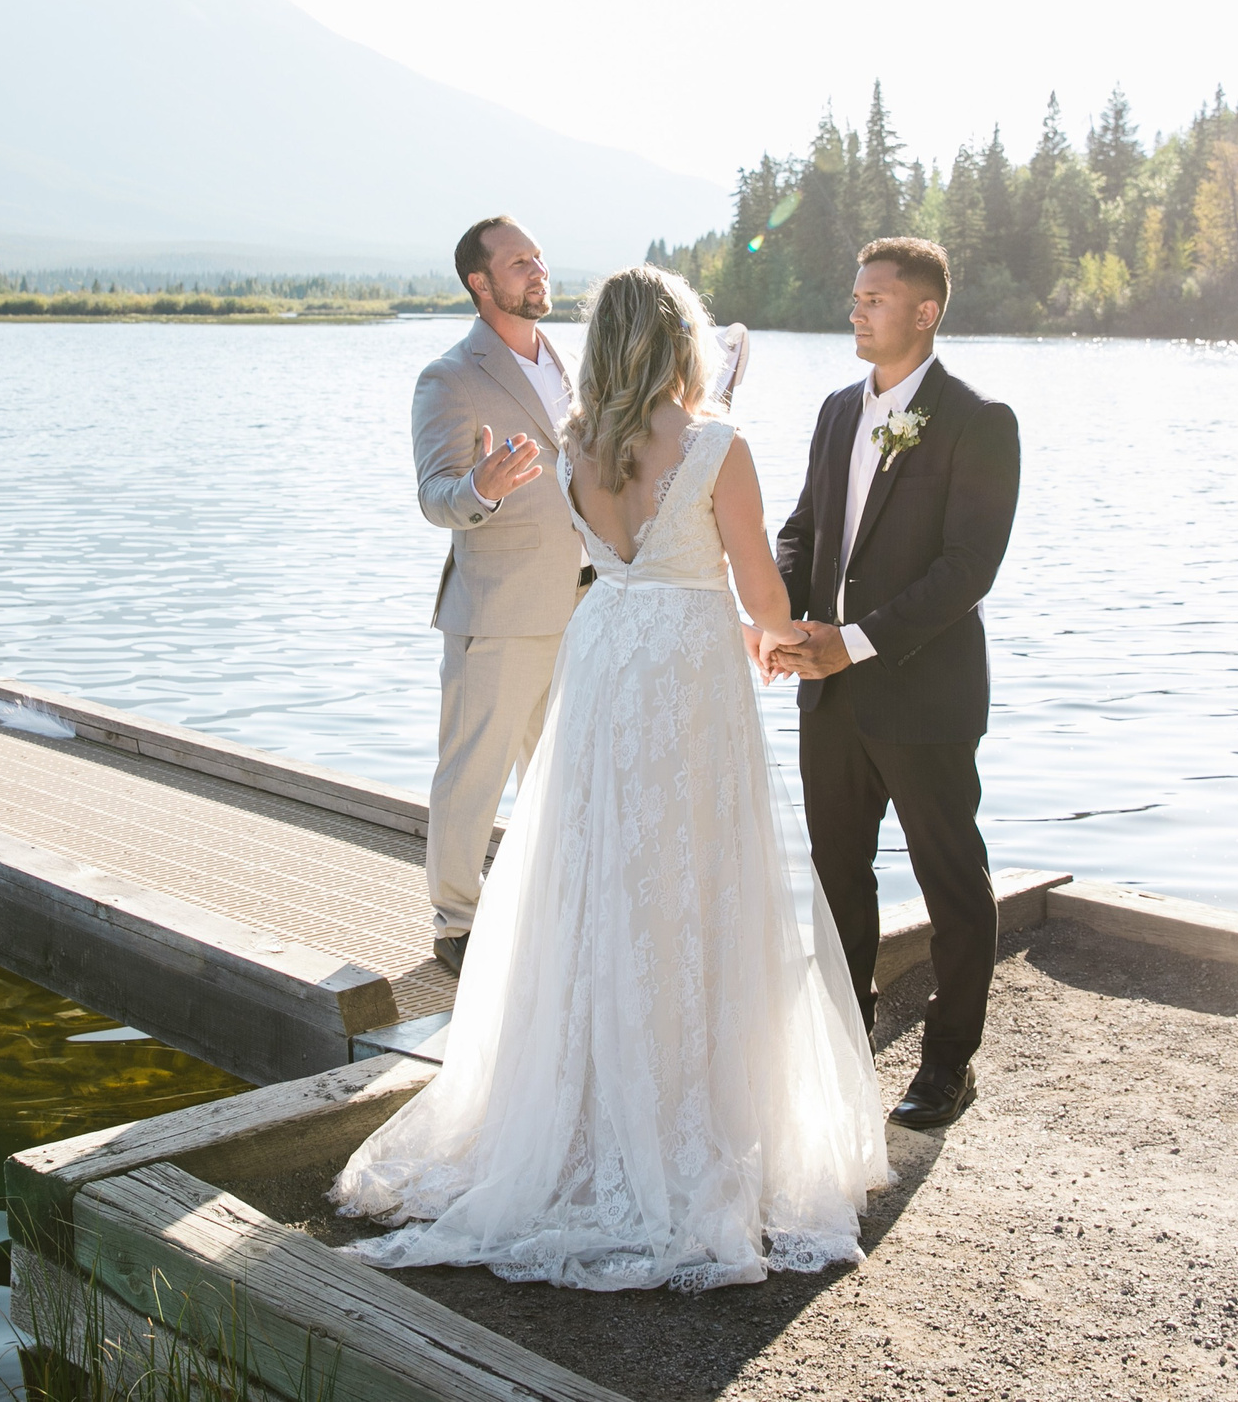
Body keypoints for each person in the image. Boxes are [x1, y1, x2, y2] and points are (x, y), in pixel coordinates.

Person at [338, 264, 891, 1292]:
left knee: (594, 872)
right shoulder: (718, 447)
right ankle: (688, 1115)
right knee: (695, 876)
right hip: (685, 667)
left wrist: (720, 617)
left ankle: (590, 1109)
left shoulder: (574, 445)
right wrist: (791, 642)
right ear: (680, 342)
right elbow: (763, 598)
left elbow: (618, 564)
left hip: (605, 654)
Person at [769, 237, 1021, 1131]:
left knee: (952, 879)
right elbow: (802, 530)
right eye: (855, 294)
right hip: (829, 700)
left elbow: (967, 570)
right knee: (837, 878)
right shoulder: (839, 411)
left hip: (924, 697)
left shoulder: (979, 420)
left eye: (875, 297)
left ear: (925, 312)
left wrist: (858, 642)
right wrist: (781, 617)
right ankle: (843, 1052)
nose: (857, 308)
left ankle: (949, 1064)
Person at [409, 216, 590, 975]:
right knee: (473, 772)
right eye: (520, 262)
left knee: (563, 776)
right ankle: (456, 922)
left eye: (539, 256)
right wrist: (478, 489)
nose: (537, 269)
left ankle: (550, 909)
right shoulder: (449, 377)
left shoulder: (565, 363)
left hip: (583, 607)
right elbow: (434, 494)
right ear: (481, 283)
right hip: (498, 608)